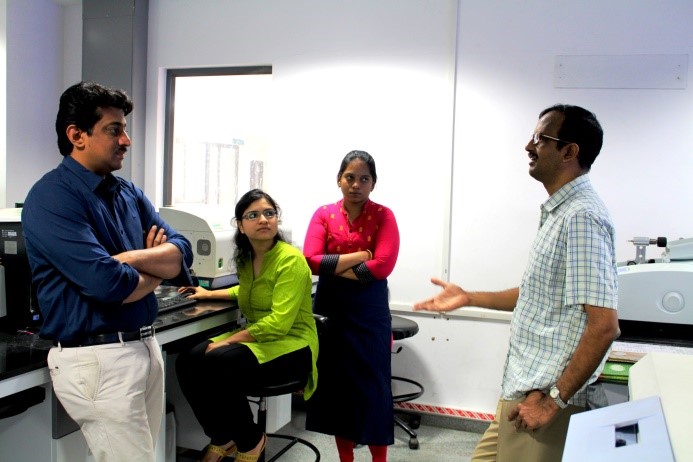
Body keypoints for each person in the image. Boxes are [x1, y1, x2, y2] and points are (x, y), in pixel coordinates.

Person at [414, 104, 620, 461]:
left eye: (541, 138)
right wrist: (468, 297)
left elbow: (604, 326)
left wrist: (554, 401)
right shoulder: (561, 212)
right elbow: (538, 294)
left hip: (542, 400)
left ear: (569, 152)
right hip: (522, 391)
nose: (529, 145)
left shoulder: (582, 216)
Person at [22, 81, 194, 462]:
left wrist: (132, 260)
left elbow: (182, 252)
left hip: (144, 346)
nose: (126, 140)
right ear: (76, 135)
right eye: (114, 130)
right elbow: (107, 284)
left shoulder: (126, 192)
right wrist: (156, 268)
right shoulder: (53, 197)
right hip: (98, 361)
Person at [175, 188, 319, 462]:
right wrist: (208, 293)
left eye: (269, 213)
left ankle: (250, 440)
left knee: (219, 361)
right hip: (261, 340)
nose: (263, 219)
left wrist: (228, 341)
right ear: (241, 225)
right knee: (188, 360)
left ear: (276, 220)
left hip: (293, 345)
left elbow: (278, 323)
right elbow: (246, 291)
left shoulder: (290, 260)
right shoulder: (245, 258)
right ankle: (222, 437)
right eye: (253, 215)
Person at [303, 150, 400, 462]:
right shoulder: (323, 214)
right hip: (333, 312)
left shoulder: (384, 215)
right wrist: (360, 257)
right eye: (350, 177)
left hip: (369, 313)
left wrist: (337, 267)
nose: (356, 184)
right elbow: (310, 260)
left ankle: (379, 460)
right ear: (339, 180)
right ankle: (346, 459)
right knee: (338, 390)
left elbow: (383, 265)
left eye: (364, 179)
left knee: (373, 391)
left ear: (373, 184)